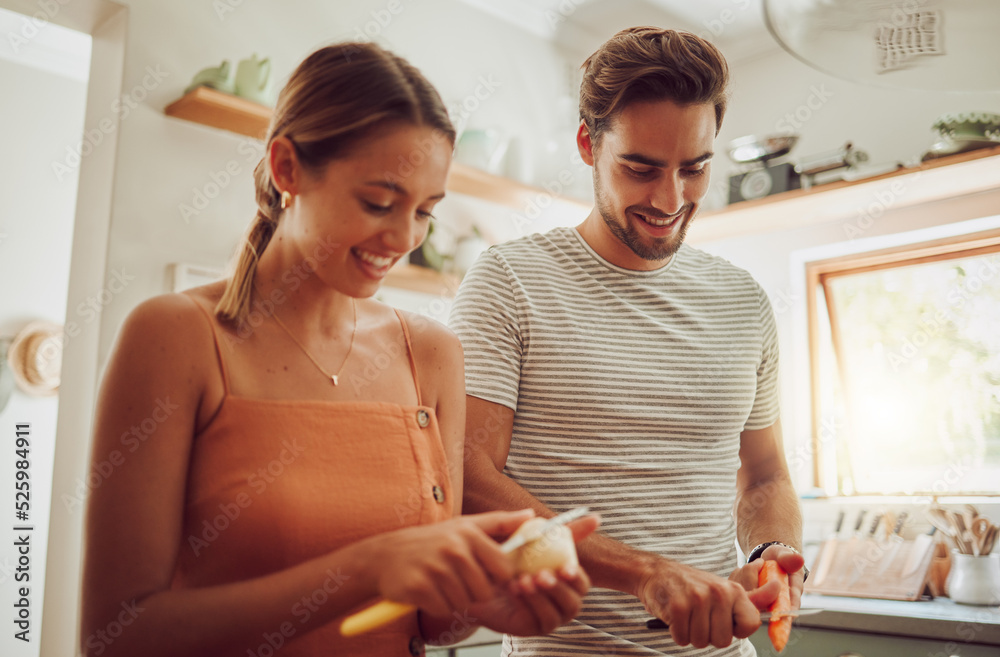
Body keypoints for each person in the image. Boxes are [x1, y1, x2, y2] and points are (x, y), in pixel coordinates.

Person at [80, 42, 599, 657]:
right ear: (287, 168)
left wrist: (481, 603)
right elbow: (116, 635)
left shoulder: (430, 353)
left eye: (426, 212)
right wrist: (367, 568)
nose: (404, 237)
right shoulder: (177, 336)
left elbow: (424, 624)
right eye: (379, 202)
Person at [451, 26, 805, 656]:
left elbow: (765, 474)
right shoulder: (510, 281)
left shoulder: (743, 300)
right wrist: (644, 573)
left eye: (693, 169)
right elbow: (469, 475)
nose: (671, 199)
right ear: (589, 144)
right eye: (641, 168)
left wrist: (772, 553)